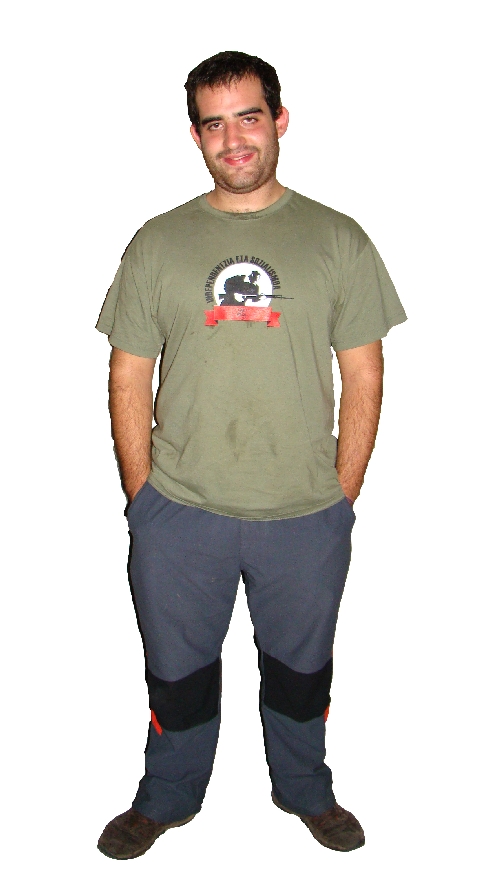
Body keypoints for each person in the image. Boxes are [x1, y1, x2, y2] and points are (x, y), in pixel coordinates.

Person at [96, 50, 406, 859]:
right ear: (195, 136)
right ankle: (167, 796)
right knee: (176, 673)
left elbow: (365, 373)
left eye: (249, 117)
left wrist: (339, 496)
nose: (234, 139)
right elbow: (128, 373)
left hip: (303, 514)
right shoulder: (157, 242)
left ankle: (305, 789)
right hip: (180, 513)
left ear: (280, 120)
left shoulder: (337, 238)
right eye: (214, 124)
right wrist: (144, 500)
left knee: (302, 673)